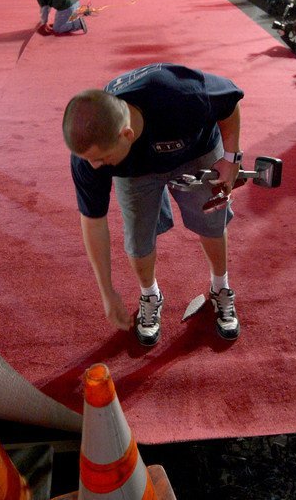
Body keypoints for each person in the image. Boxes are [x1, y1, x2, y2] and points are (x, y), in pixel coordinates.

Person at [62, 63, 245, 346]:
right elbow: (93, 222)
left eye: (102, 158)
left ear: (126, 135)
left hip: (196, 149)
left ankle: (220, 286)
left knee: (211, 221)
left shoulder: (179, 93)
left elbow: (229, 102)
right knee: (138, 236)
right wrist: (107, 292)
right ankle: (150, 294)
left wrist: (231, 159)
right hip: (135, 171)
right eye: (89, 159)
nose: (95, 166)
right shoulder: (90, 156)